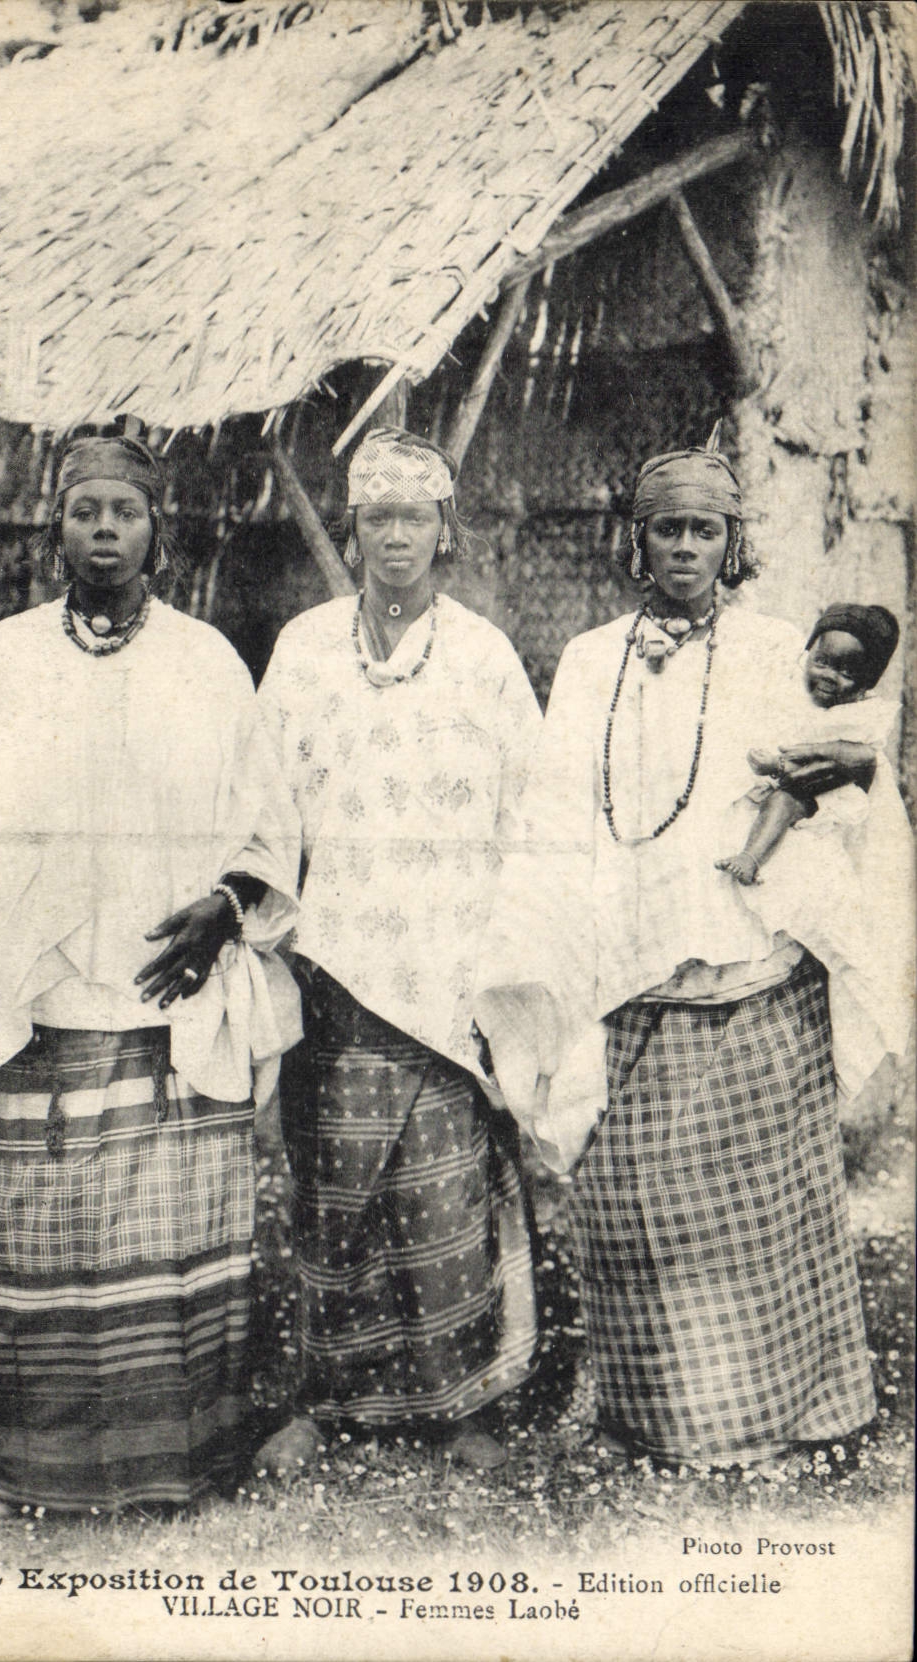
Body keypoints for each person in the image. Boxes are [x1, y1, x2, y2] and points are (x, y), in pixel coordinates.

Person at [0, 434, 302, 1516]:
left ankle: (178, 1461)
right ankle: (19, 1472)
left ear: (161, 529)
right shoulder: (6, 661)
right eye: (84, 512)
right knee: (31, 1254)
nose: (104, 529)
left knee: (167, 1252)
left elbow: (268, 820)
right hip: (34, 1010)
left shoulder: (206, 660)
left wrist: (226, 905)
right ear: (55, 528)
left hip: (168, 1005)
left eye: (125, 510)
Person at [476, 440, 912, 1468]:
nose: (684, 547)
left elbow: (837, 776)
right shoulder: (590, 659)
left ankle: (797, 1411)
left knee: (764, 1211)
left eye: (704, 530)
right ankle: (645, 1414)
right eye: (667, 528)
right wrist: (547, 936)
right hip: (635, 970)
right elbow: (556, 808)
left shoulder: (774, 649)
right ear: (638, 539)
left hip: (758, 969)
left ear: (732, 542)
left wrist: (851, 774)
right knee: (636, 1201)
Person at [254, 426, 540, 1473]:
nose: (395, 537)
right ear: (354, 526)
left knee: (444, 1191)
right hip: (334, 968)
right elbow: (264, 803)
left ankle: (467, 1403)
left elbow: (529, 814)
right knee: (331, 1190)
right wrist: (275, 931)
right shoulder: (302, 651)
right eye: (377, 516)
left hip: (449, 973)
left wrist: (509, 961)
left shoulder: (485, 658)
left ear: (445, 531)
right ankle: (327, 1402)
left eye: (415, 517)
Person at [716, 600, 899, 884]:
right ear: (808, 654)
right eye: (822, 662)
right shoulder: (793, 695)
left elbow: (856, 756)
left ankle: (750, 859)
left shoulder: (859, 715)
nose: (828, 676)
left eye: (847, 673)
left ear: (866, 684)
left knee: (783, 802)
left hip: (824, 793)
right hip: (788, 782)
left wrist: (780, 762)